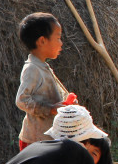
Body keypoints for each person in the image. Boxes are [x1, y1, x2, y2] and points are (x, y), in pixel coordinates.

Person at [16, 12, 74, 151]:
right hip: (36, 142)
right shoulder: (32, 69)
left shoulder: (42, 66)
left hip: (46, 140)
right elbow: (22, 100)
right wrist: (50, 109)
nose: (61, 43)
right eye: (58, 38)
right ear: (42, 41)